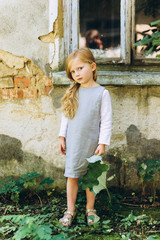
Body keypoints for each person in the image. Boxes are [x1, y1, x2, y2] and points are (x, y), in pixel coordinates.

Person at [59, 48, 112, 226]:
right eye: (73, 71)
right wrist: (62, 137)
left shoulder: (102, 93)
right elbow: (65, 116)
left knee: (91, 178)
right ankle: (70, 210)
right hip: (74, 143)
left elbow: (106, 120)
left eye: (80, 68)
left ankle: (90, 209)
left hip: (92, 143)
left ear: (93, 66)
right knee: (72, 176)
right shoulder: (73, 92)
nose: (77, 74)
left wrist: (103, 143)